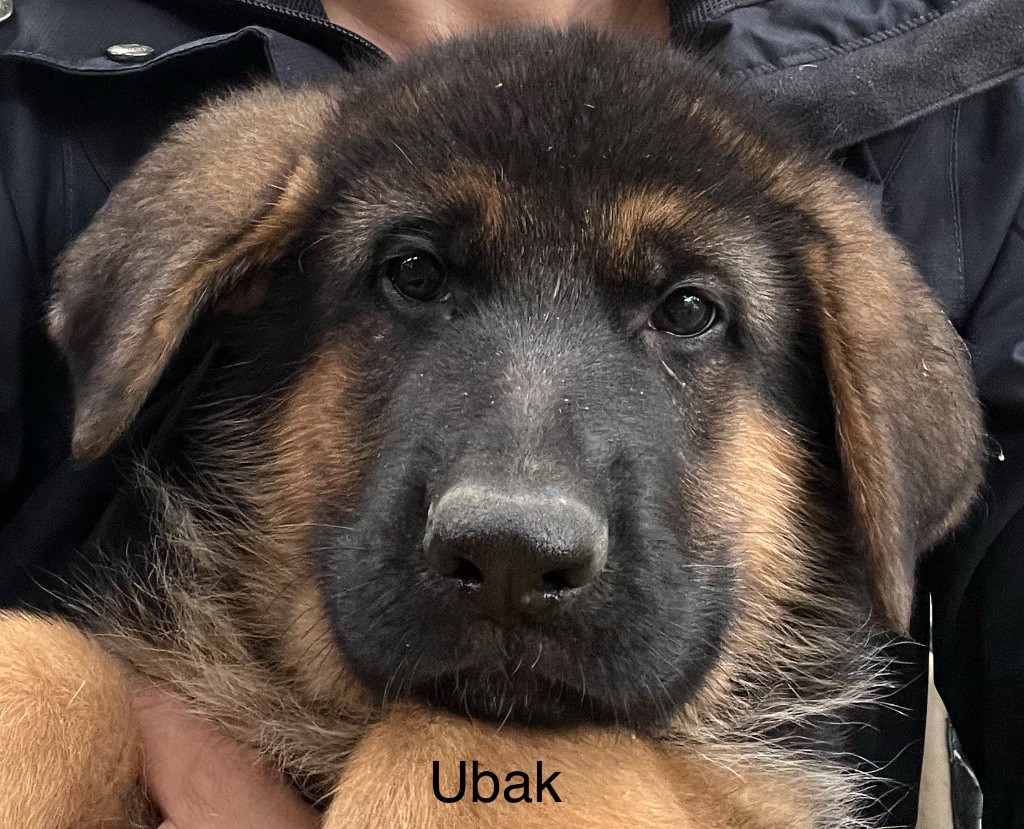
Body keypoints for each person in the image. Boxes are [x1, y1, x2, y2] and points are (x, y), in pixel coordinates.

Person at [1, 1, 1022, 826]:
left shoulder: (977, 106)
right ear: (252, 288)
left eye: (687, 311)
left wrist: (486, 786)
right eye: (412, 275)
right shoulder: (35, 109)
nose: (519, 511)